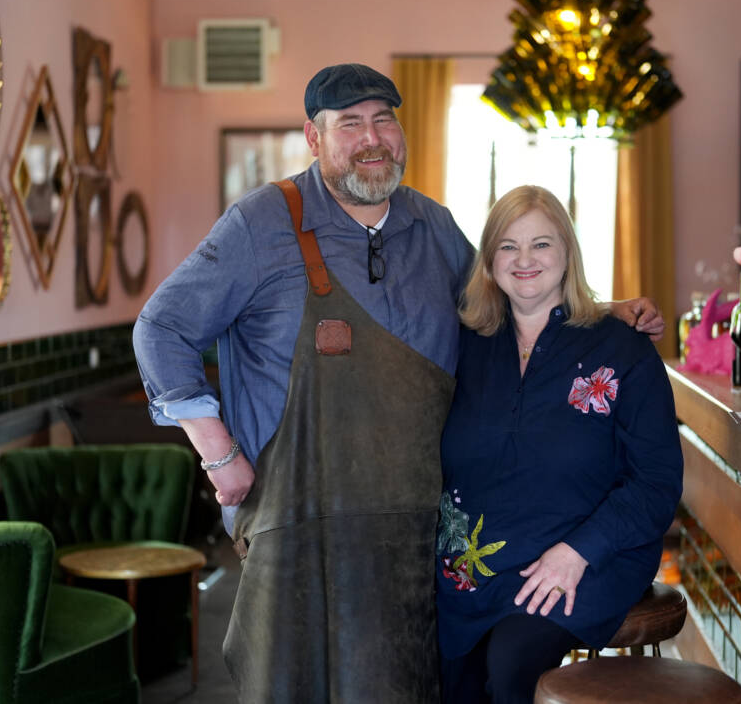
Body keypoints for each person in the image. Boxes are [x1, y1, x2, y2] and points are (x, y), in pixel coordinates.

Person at [133, 64, 664, 703]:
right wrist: (218, 456)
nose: (372, 137)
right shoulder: (262, 223)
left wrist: (607, 312)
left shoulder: (430, 226)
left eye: (384, 119)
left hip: (412, 534)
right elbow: (160, 328)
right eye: (350, 123)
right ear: (313, 135)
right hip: (296, 527)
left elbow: (512, 290)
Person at [435, 185, 684, 704]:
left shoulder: (624, 350)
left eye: (542, 244)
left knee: (510, 667)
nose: (524, 260)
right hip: (477, 561)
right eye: (507, 246)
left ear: (568, 253)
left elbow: (657, 483)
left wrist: (578, 552)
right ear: (489, 260)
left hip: (591, 556)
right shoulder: (461, 345)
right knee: (449, 677)